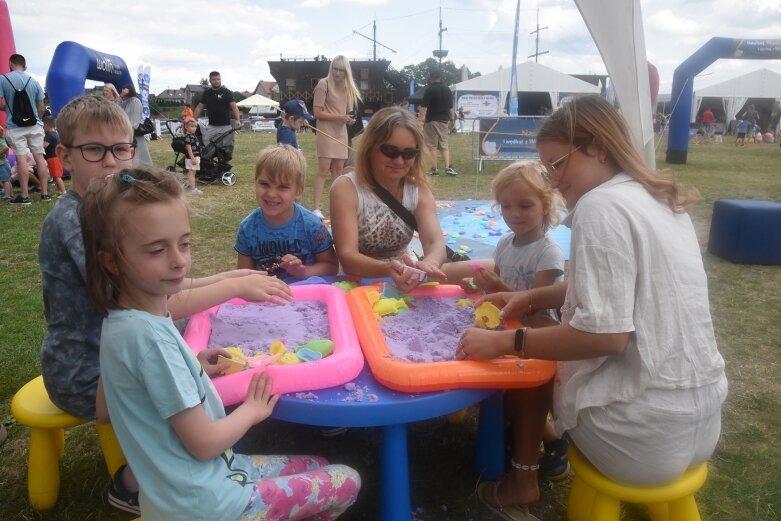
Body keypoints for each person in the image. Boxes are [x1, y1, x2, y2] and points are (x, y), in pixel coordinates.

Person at [458, 95, 727, 517]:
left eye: (558, 164)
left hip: (639, 431)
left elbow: (605, 336)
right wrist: (527, 297)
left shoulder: (600, 205)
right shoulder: (658, 197)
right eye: (545, 167)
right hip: (700, 419)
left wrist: (507, 342)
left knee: (531, 375)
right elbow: (607, 288)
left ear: (598, 147)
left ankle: (524, 474)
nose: (551, 179)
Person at [38, 95, 292, 514]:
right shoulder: (77, 222)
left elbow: (161, 290)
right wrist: (232, 288)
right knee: (189, 385)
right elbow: (162, 298)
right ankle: (138, 481)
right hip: (87, 373)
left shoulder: (105, 212)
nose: (111, 163)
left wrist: (234, 276)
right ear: (64, 155)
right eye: (94, 150)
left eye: (121, 149)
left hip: (112, 357)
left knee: (195, 362)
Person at [80, 165, 360, 521]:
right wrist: (252, 410)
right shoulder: (151, 340)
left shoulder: (120, 319)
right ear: (111, 261)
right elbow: (205, 444)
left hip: (180, 491)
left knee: (315, 463)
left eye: (184, 243)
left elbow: (106, 410)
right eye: (156, 250)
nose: (179, 260)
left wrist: (191, 366)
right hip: (208, 503)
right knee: (347, 479)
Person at [460, 160, 570, 487]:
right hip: (510, 328)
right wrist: (480, 285)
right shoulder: (505, 244)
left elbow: (533, 302)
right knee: (503, 398)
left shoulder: (548, 252)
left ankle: (552, 442)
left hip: (536, 336)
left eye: (525, 205)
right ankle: (532, 436)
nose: (514, 214)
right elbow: (502, 295)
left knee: (517, 401)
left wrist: (499, 289)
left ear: (546, 205)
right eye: (506, 206)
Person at [329, 106, 449, 293]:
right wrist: (388, 269)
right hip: (359, 280)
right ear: (370, 148)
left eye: (409, 153)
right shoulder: (346, 188)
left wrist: (429, 264)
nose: (400, 161)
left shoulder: (418, 190)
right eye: (390, 151)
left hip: (406, 275)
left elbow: (435, 243)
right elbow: (348, 257)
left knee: (485, 268)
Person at [236, 144, 338, 281]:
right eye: (264, 184)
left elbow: (331, 266)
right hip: (267, 298)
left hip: (307, 294)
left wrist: (304, 271)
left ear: (298, 190)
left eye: (283, 187)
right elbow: (244, 275)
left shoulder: (312, 225)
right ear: (255, 182)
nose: (271, 194)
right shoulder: (247, 228)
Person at [311, 55, 362, 220]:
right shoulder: (323, 84)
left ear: (346, 71)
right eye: (335, 68)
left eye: (341, 69)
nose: (337, 73)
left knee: (339, 171)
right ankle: (316, 208)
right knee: (323, 170)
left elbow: (346, 112)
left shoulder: (347, 88)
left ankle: (337, 206)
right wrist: (340, 117)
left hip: (341, 131)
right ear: (331, 67)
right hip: (326, 130)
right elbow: (317, 112)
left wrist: (350, 118)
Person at [0, 53, 50, 204]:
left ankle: (24, 196)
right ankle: (45, 194)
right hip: (35, 125)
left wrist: (8, 109)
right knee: (39, 158)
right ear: (24, 66)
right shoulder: (34, 82)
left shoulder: (3, 79)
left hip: (15, 126)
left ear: (11, 63)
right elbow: (41, 109)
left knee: (21, 159)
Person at [193, 71, 241, 160]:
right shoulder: (207, 93)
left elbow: (234, 107)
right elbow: (199, 107)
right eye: (214, 79)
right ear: (210, 80)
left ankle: (223, 166)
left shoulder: (227, 92)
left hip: (226, 126)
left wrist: (237, 120)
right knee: (206, 144)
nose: (216, 81)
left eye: (218, 79)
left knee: (226, 149)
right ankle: (209, 162)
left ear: (220, 79)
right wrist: (192, 119)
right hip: (212, 126)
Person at [420, 69, 458, 177]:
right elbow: (450, 107)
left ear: (430, 77)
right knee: (444, 145)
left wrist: (420, 121)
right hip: (444, 121)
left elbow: (424, 107)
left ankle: (434, 169)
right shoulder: (447, 89)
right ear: (441, 77)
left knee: (432, 145)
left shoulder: (429, 89)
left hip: (432, 120)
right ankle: (447, 167)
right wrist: (452, 121)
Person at [120, 84, 153, 167]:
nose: (123, 90)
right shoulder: (127, 102)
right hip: (128, 131)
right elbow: (116, 106)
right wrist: (120, 96)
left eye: (124, 89)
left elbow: (135, 122)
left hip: (134, 133)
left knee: (138, 155)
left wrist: (130, 132)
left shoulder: (136, 101)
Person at [43, 116, 66, 196]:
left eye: (43, 126)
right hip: (56, 157)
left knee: (57, 176)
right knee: (56, 175)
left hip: (52, 158)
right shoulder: (56, 134)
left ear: (46, 126)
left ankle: (63, 192)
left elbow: (44, 146)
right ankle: (60, 190)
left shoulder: (48, 136)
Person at [182, 117, 202, 195]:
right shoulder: (188, 137)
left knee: (192, 173)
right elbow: (189, 148)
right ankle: (193, 189)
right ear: (186, 127)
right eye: (192, 126)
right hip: (192, 157)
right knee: (192, 173)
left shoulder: (192, 135)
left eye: (195, 126)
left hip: (195, 157)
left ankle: (188, 184)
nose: (194, 128)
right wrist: (192, 158)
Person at [0, 126, 13, 201]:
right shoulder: (2, 139)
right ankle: (10, 194)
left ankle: (7, 196)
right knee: (7, 180)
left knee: (5, 181)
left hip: (3, 164)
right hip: (4, 163)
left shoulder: (1, 141)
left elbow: (6, 148)